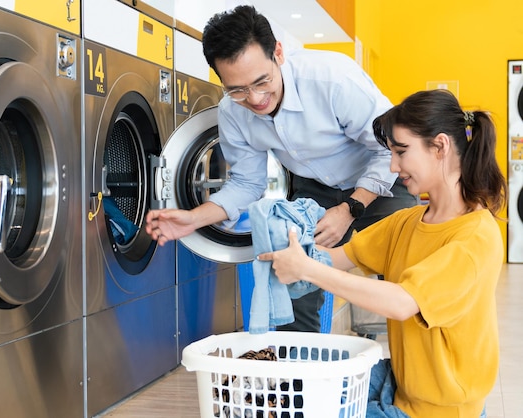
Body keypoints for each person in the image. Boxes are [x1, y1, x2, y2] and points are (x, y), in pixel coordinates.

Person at [144, 5, 418, 332]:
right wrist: (193, 218)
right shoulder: (233, 113)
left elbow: (388, 147)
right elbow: (247, 184)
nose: (256, 99)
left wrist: (349, 208)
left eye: (262, 81)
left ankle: (415, 372)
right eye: (238, 89)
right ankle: (299, 374)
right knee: (293, 278)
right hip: (314, 190)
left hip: (383, 179)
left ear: (278, 53)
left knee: (408, 277)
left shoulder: (333, 79)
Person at [258, 89, 506, 417]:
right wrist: (288, 244)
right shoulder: (406, 222)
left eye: (401, 152)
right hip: (400, 386)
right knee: (305, 393)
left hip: (442, 410)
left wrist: (308, 270)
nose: (393, 165)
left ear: (440, 146)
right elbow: (334, 259)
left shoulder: (476, 237)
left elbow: (402, 302)